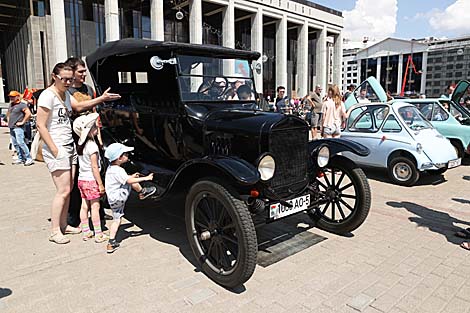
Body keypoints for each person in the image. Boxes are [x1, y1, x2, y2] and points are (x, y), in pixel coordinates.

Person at [36, 62, 120, 244]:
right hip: (57, 147)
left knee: (70, 187)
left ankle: (65, 224)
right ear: (54, 76)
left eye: (69, 79)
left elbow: (80, 106)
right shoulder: (47, 96)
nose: (67, 82)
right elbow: (40, 125)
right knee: (63, 190)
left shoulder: (65, 94)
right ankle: (55, 230)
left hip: (69, 146)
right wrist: (54, 149)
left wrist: (101, 99)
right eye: (64, 79)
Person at [104, 143, 156, 253]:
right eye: (126, 154)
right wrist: (146, 178)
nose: (128, 156)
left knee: (117, 220)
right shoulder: (119, 170)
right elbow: (129, 181)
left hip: (112, 200)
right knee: (131, 182)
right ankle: (142, 192)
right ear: (119, 158)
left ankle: (111, 242)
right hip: (119, 196)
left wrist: (131, 177)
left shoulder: (110, 169)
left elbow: (121, 180)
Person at [73, 113, 108, 243]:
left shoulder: (80, 145)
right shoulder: (92, 146)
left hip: (82, 180)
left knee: (84, 206)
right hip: (91, 180)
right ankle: (98, 233)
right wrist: (100, 184)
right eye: (94, 126)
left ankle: (86, 231)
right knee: (95, 207)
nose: (96, 127)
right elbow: (94, 167)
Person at [7, 90, 34, 166]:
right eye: (10, 96)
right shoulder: (11, 105)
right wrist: (8, 121)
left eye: (13, 96)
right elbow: (9, 113)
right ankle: (20, 158)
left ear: (17, 97)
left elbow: (28, 113)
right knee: (15, 144)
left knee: (21, 143)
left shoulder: (22, 105)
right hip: (12, 127)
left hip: (18, 127)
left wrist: (22, 122)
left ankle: (29, 158)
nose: (11, 98)